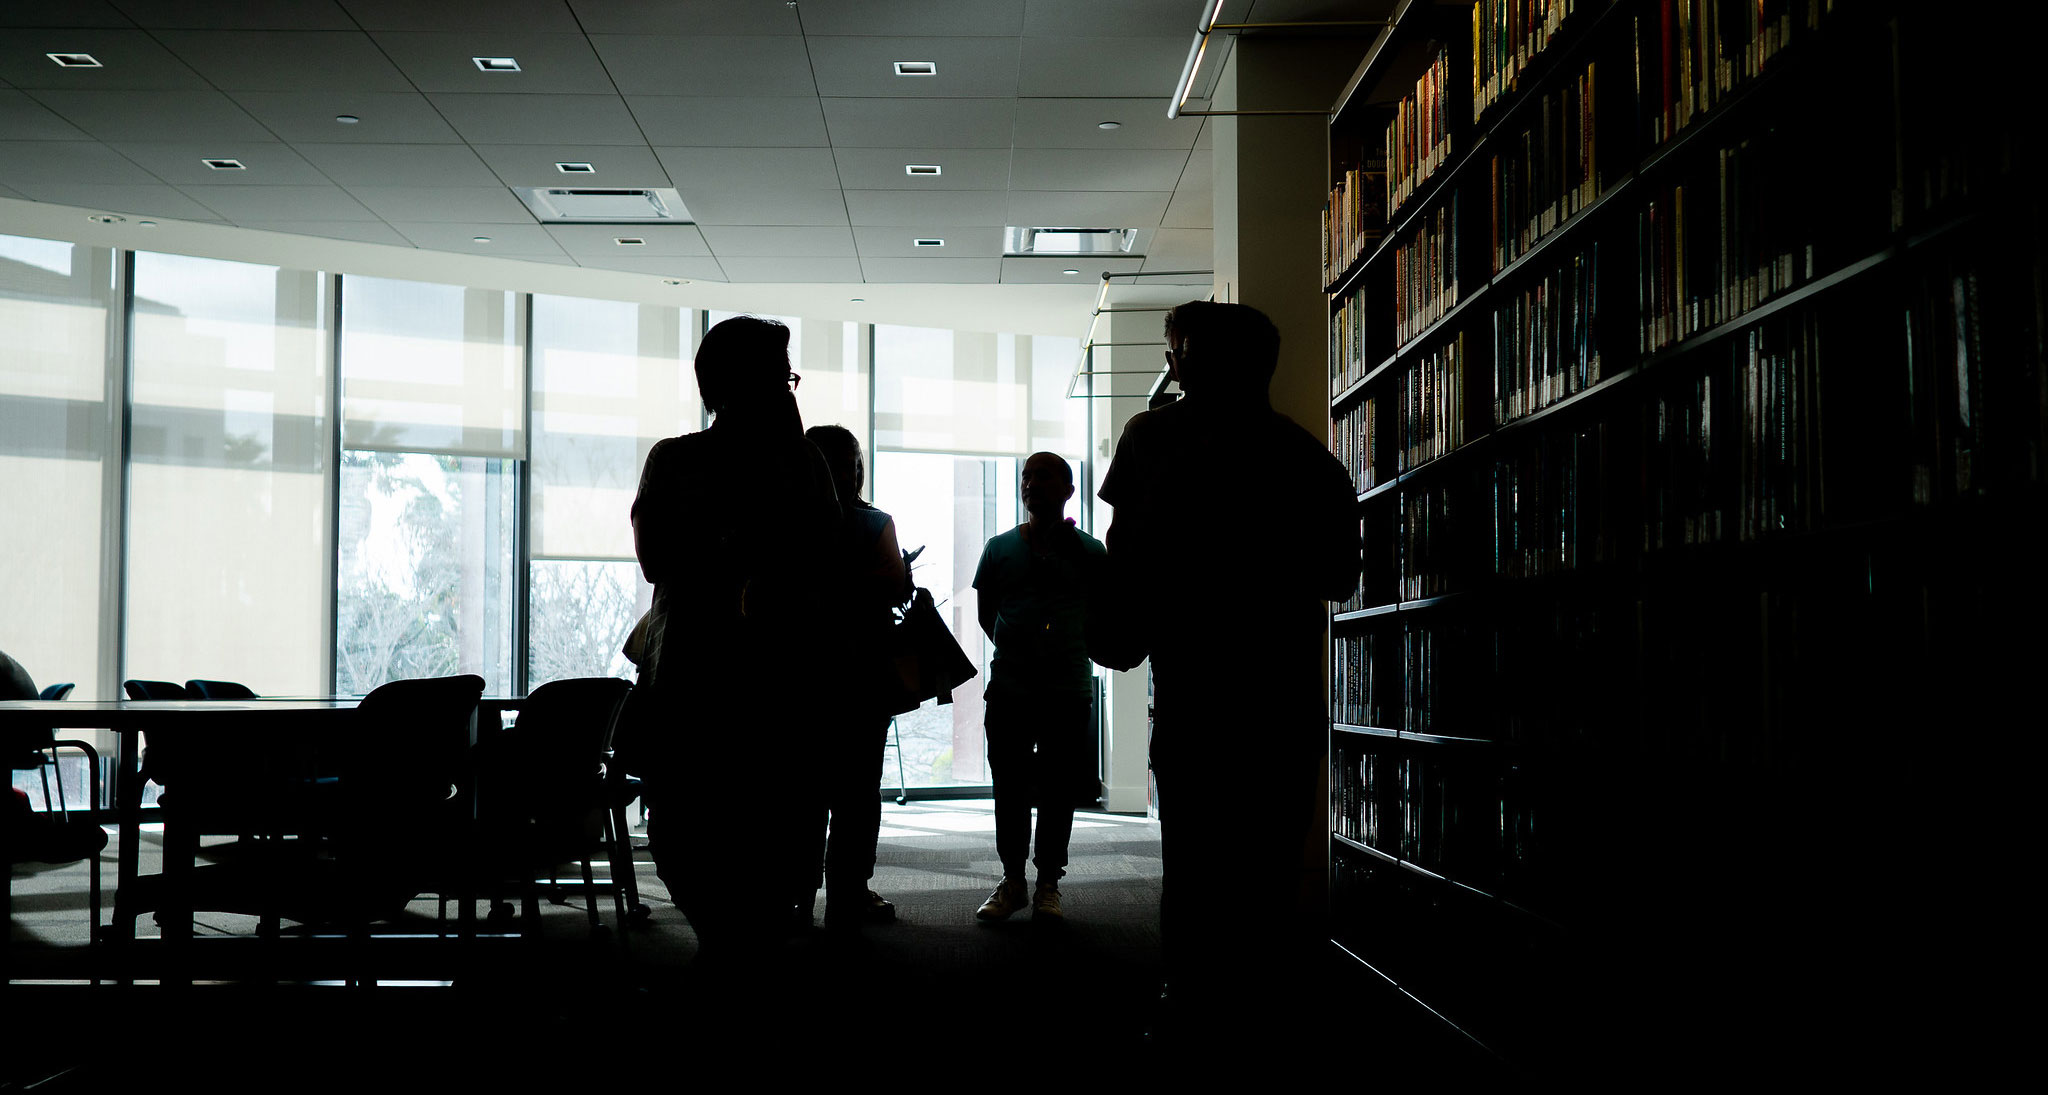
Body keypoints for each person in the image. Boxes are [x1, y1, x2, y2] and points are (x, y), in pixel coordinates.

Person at [1093, 302, 1361, 1032]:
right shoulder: (1311, 457)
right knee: (1267, 861)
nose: (1171, 366)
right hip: (1280, 694)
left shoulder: (1152, 438)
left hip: (1197, 692)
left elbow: (1127, 556)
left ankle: (1190, 1001)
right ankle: (1261, 1011)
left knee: (1197, 860)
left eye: (1176, 352)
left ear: (1198, 361)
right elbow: (1341, 576)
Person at [629, 315, 839, 954]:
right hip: (707, 685)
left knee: (766, 851)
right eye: (781, 375)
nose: (790, 389)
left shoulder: (801, 462)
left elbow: (825, 562)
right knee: (694, 844)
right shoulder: (680, 460)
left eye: (789, 375)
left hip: (771, 690)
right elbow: (658, 558)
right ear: (736, 385)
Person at [970, 452, 1107, 922]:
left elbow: (1103, 616)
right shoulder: (998, 548)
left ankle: (1049, 882)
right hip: (1010, 687)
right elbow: (989, 614)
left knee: (1057, 789)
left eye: (1044, 476)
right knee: (1008, 786)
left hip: (1067, 688)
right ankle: (1013, 881)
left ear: (1069, 490)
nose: (1031, 483)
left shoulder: (1090, 552)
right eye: (1026, 476)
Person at [800, 423, 912, 929]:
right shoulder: (874, 523)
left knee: (800, 792)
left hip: (797, 673)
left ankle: (796, 895)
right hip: (861, 674)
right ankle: (848, 893)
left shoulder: (783, 522)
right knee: (857, 792)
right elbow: (895, 585)